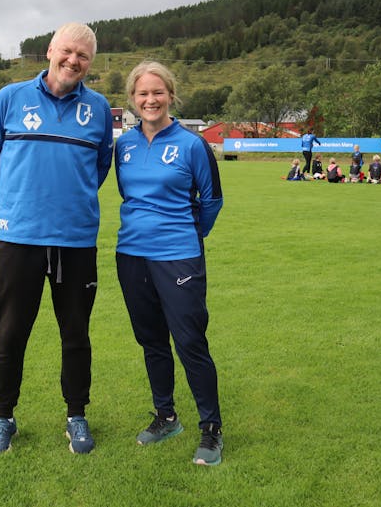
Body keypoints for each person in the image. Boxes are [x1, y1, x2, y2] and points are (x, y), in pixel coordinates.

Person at [0, 22, 113, 455]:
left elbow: (100, 168)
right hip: (19, 239)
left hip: (76, 241)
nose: (74, 61)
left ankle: (76, 415)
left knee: (76, 334)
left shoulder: (99, 108)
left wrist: (69, 204)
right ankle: (4, 417)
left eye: (84, 56)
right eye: (68, 51)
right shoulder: (9, 98)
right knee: (11, 333)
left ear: (90, 63)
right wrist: (5, 212)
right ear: (50, 50)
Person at [114, 61, 225, 465]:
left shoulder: (193, 145)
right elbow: (129, 196)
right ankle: (166, 416)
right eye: (142, 93)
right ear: (132, 100)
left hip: (178, 257)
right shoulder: (123, 146)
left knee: (190, 342)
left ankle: (211, 430)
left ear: (171, 95)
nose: (150, 100)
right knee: (151, 341)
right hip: (131, 255)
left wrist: (189, 236)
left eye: (157, 92)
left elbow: (212, 200)